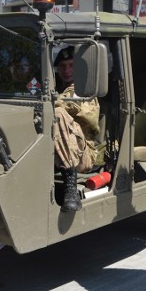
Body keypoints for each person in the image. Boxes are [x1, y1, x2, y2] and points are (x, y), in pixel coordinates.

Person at [52, 46, 103, 212]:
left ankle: (70, 188)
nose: (66, 71)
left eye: (71, 65)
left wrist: (50, 101)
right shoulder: (55, 88)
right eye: (62, 66)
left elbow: (73, 106)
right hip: (54, 154)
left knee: (57, 113)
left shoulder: (85, 90)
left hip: (83, 156)